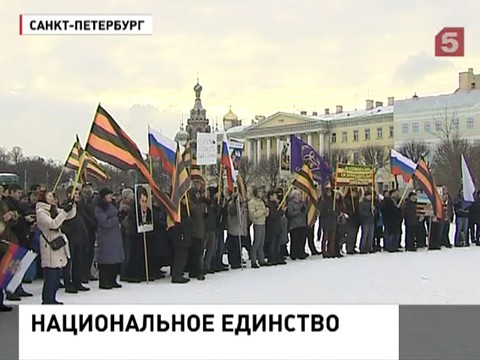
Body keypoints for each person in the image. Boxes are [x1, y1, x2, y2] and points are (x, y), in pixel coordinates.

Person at [36, 190, 76, 304]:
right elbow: (54, 224)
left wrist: (71, 206)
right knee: (51, 276)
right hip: (48, 245)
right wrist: (64, 212)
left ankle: (51, 298)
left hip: (57, 243)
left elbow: (69, 216)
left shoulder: (52, 209)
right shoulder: (41, 212)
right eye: (49, 196)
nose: (52, 197)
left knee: (56, 275)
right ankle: (47, 299)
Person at [4, 183, 34, 300]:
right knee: (13, 266)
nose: (19, 195)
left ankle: (18, 287)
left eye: (20, 193)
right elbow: (11, 220)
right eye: (17, 192)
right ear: (11, 192)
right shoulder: (8, 203)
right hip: (14, 237)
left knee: (19, 265)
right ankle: (10, 290)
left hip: (21, 235)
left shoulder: (18, 204)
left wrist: (27, 221)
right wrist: (22, 218)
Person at [61, 186, 90, 293]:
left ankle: (77, 282)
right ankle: (68, 283)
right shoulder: (65, 206)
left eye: (78, 194)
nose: (77, 196)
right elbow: (62, 221)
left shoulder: (80, 206)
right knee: (68, 262)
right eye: (75, 193)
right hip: (70, 238)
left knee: (78, 261)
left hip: (80, 238)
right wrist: (69, 231)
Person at [94, 188, 124, 290]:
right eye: (108, 195)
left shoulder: (111, 205)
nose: (111, 197)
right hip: (105, 237)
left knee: (114, 260)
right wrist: (117, 218)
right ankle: (104, 281)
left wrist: (121, 215)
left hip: (114, 236)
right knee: (106, 261)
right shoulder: (100, 208)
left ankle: (112, 280)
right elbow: (104, 222)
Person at [167, 198, 191, 284]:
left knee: (183, 256)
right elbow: (177, 221)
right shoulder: (177, 207)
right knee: (180, 256)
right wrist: (187, 221)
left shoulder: (183, 207)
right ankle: (176, 275)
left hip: (183, 234)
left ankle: (179, 273)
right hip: (179, 234)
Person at [187, 188, 206, 281]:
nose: (199, 195)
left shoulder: (199, 203)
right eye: (197, 193)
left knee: (200, 252)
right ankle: (197, 271)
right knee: (196, 253)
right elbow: (196, 212)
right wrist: (203, 206)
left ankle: (197, 270)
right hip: (194, 232)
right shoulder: (190, 203)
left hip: (200, 231)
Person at [226, 192, 249, 269]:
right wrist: (236, 203)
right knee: (234, 247)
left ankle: (238, 260)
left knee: (239, 246)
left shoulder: (243, 205)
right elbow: (233, 212)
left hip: (240, 229)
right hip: (234, 229)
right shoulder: (231, 205)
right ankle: (234, 262)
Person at [248, 187, 269, 268]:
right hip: (257, 223)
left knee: (261, 243)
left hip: (263, 222)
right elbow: (253, 214)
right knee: (256, 243)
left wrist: (266, 212)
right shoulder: (252, 202)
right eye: (260, 192)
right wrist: (262, 212)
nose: (262, 194)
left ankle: (261, 259)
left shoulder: (261, 202)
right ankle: (253, 260)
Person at [287, 189, 308, 260]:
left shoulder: (302, 203)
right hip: (294, 225)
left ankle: (301, 253)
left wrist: (305, 209)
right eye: (298, 195)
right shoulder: (290, 204)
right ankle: (294, 254)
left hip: (302, 224)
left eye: (300, 195)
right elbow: (290, 214)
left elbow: (305, 212)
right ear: (294, 196)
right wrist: (299, 211)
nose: (299, 196)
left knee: (302, 240)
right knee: (295, 240)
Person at [266, 190, 285, 265]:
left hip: (277, 226)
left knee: (277, 243)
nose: (276, 196)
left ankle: (277, 257)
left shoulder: (276, 204)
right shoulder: (269, 205)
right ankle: (272, 258)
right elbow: (272, 215)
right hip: (272, 226)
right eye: (274, 195)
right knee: (272, 244)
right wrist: (281, 212)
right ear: (270, 197)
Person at [319, 185, 338, 258]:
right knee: (325, 237)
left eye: (330, 192)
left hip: (332, 221)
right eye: (328, 192)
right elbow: (322, 212)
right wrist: (329, 212)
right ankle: (324, 251)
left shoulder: (333, 201)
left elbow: (336, 210)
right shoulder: (323, 200)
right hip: (326, 221)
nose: (329, 193)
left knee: (332, 238)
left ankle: (331, 251)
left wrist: (335, 213)